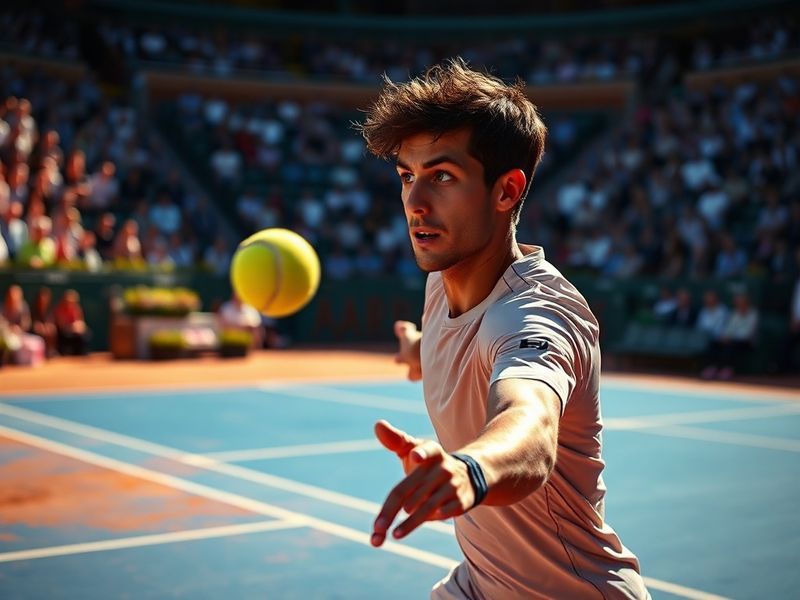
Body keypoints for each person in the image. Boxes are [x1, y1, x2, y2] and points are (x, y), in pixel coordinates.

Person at [359, 59, 648, 599]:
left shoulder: (539, 313)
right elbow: (468, 344)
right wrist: (419, 349)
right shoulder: (442, 281)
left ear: (507, 190)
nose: (415, 203)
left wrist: (471, 468)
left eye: (442, 177)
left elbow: (530, 423)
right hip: (483, 583)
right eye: (407, 176)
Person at [53, 289, 90, 355]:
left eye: (73, 301)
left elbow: (80, 321)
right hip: (64, 332)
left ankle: (80, 353)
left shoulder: (76, 308)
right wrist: (72, 327)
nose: (70, 303)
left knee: (85, 334)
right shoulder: (59, 309)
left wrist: (79, 327)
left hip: (74, 331)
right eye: (68, 301)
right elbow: (61, 325)